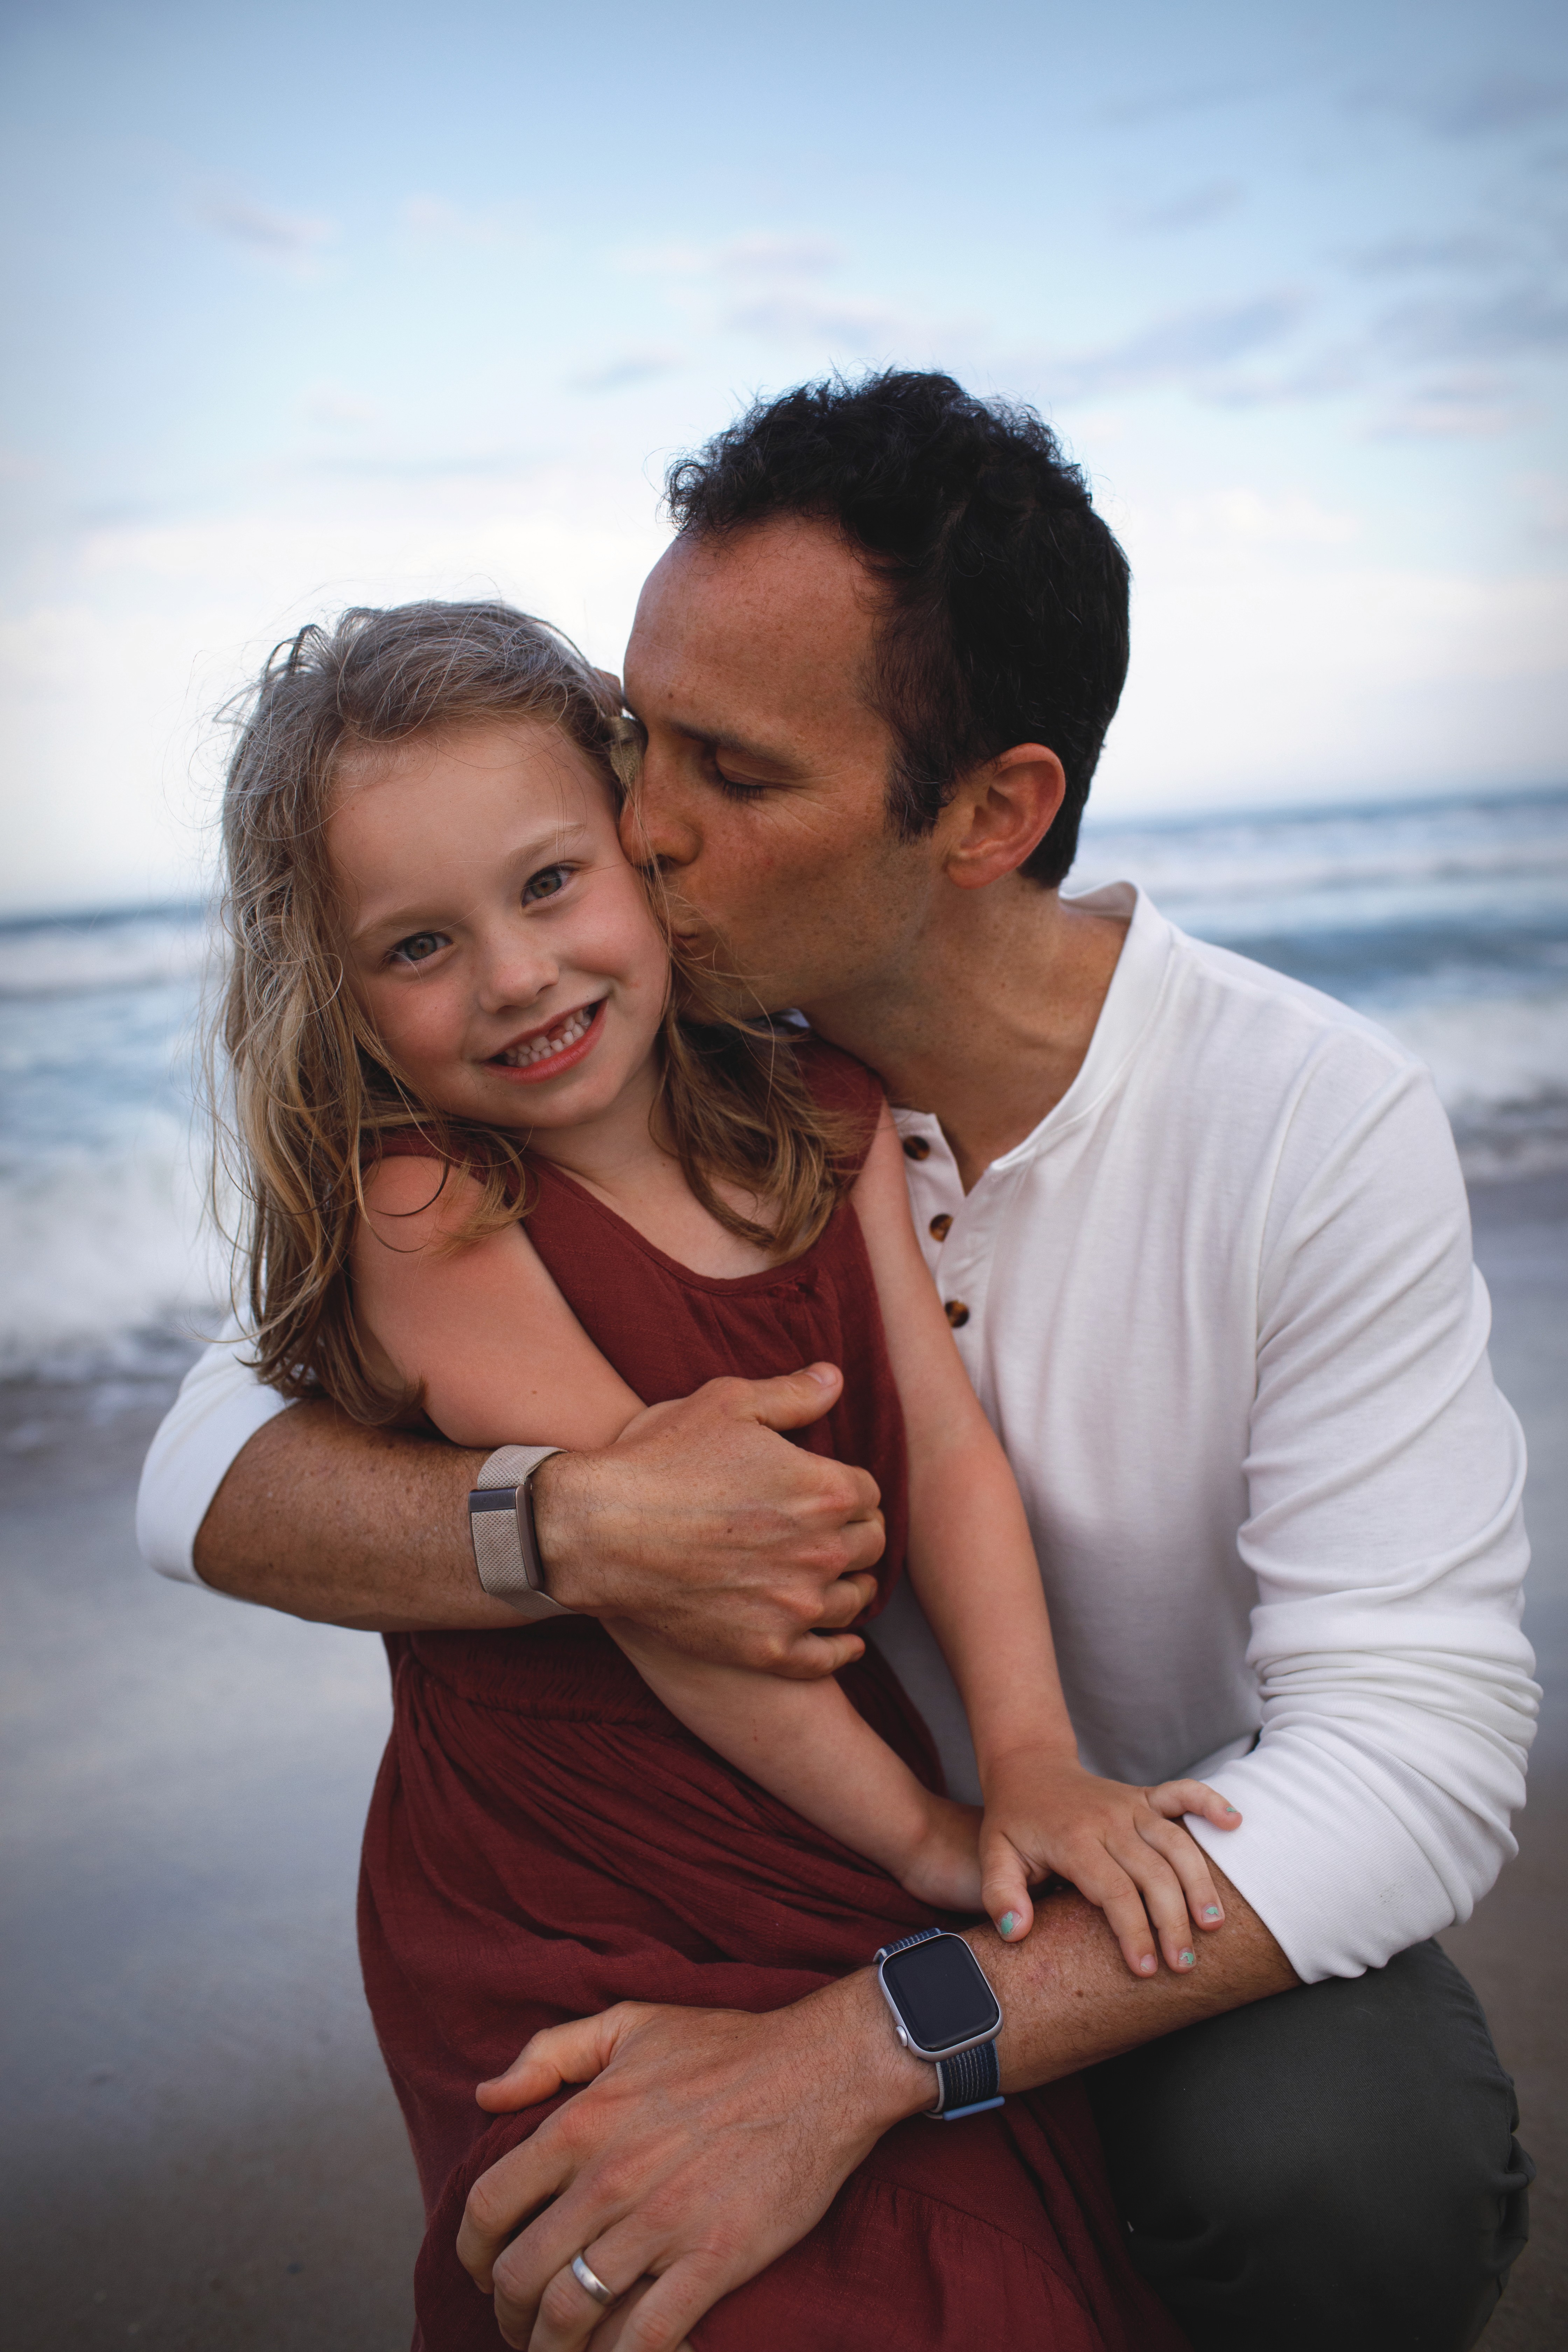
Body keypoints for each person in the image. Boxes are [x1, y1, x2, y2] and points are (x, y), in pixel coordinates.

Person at [139, 371, 1538, 2352]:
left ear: (990, 813)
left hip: (1102, 1889)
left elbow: (1426, 1758)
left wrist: (879, 2034)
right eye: (638, 740)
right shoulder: (601, 1120)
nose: (636, 828)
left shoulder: (1302, 1123)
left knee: (1341, 2170)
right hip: (720, 1869)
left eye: (732, 771)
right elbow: (202, 1465)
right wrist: (583, 1524)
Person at [197, 591, 1218, 2350]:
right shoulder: (431, 1206)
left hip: (819, 1804)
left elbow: (950, 1444)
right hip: (570, 1875)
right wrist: (924, 1836)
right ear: (343, 995)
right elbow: (679, 1600)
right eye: (419, 947)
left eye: (547, 885)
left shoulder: (825, 1113)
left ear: (643, 853)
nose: (516, 976)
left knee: (978, 2258)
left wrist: (1033, 1761)